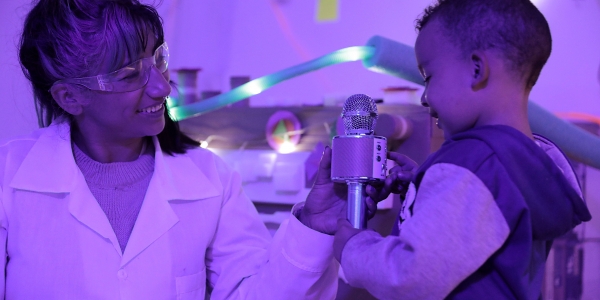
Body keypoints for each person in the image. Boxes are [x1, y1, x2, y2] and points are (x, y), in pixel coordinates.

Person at [0, 0, 350, 298]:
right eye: (129, 75)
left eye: (158, 60)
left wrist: (313, 227)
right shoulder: (9, 175)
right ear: (70, 97)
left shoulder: (210, 178)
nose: (162, 87)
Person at [332, 0, 592, 299]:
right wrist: (424, 187)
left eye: (429, 77)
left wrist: (354, 247)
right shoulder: (521, 165)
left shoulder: (473, 165)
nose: (425, 98)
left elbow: (410, 276)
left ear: (477, 70)